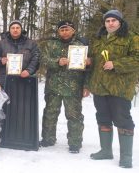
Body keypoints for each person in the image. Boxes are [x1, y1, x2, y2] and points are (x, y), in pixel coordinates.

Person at [88, 10, 139, 168]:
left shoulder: (132, 38)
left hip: (119, 88)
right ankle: (105, 151)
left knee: (122, 120)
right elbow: (94, 58)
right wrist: (88, 61)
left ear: (120, 22)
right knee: (102, 118)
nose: (110, 23)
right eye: (107, 20)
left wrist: (116, 64)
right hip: (99, 86)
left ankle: (126, 157)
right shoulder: (99, 39)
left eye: (113, 20)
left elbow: (137, 59)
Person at [39, 20, 90, 153]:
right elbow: (43, 59)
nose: (64, 32)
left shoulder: (81, 45)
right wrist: (57, 61)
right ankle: (48, 139)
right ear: (58, 31)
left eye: (67, 29)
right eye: (62, 30)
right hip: (53, 86)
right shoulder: (51, 44)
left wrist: (86, 85)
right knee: (50, 114)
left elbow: (89, 68)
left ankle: (75, 143)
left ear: (73, 30)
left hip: (73, 87)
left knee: (74, 116)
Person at [0, 20, 40, 151]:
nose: (15, 30)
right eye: (12, 27)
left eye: (17, 27)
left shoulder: (31, 43)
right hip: (5, 80)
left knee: (22, 108)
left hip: (25, 81)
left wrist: (29, 71)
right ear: (9, 30)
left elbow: (36, 58)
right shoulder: (1, 43)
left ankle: (23, 133)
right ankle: (5, 135)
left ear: (21, 29)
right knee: (5, 108)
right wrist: (0, 60)